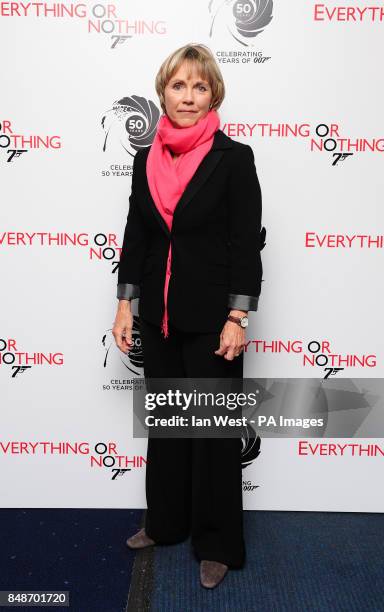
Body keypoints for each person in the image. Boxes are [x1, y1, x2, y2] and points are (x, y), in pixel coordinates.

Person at [112, 43, 264, 589]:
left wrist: (238, 317)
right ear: (163, 92)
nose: (189, 96)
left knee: (213, 435)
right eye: (179, 85)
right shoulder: (144, 159)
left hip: (212, 320)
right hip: (158, 315)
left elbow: (247, 245)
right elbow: (137, 234)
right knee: (171, 429)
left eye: (200, 87)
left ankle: (217, 541)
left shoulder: (234, 158)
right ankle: (166, 522)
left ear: (213, 94)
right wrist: (126, 302)